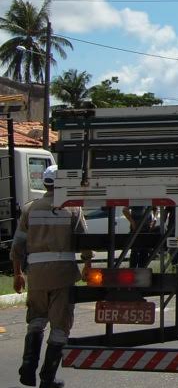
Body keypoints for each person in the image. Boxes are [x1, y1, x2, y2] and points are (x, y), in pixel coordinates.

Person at [12, 165, 92, 388]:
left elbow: (18, 244)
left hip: (36, 275)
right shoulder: (73, 209)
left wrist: (18, 273)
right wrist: (87, 265)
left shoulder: (30, 209)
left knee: (36, 320)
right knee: (60, 327)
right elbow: (84, 242)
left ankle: (28, 368)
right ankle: (47, 377)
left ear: (45, 184)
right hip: (63, 276)